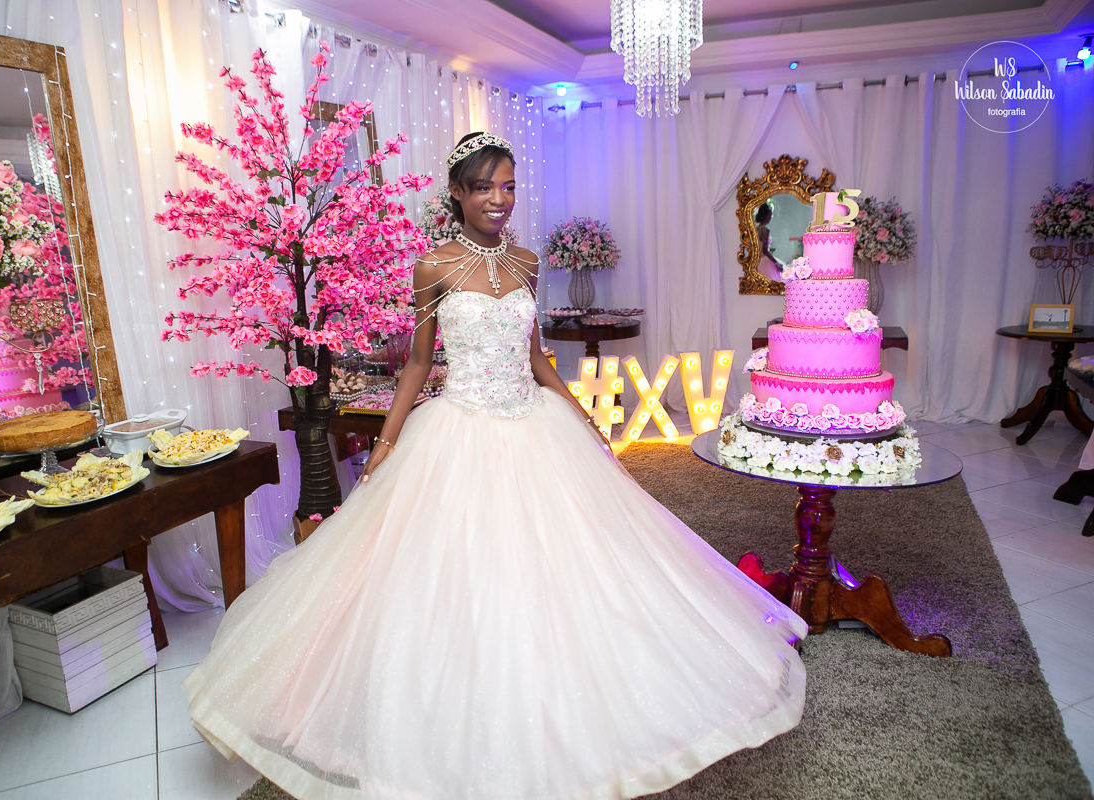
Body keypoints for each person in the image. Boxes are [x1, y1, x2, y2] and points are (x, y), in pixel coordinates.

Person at [183, 132, 808, 800]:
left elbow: (536, 357)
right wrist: (387, 448)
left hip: (533, 425)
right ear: (457, 192)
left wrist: (580, 414)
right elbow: (419, 364)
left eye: (509, 187)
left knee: (584, 571)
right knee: (444, 582)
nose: (499, 200)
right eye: (484, 187)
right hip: (458, 430)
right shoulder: (433, 267)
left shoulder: (529, 263)